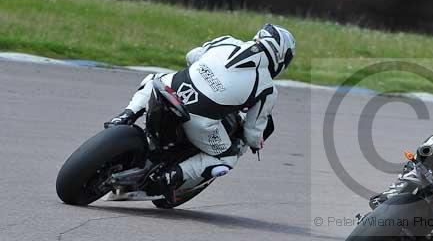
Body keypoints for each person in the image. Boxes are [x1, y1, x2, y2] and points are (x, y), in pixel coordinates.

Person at [105, 23, 296, 200]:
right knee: (227, 157)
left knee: (153, 79)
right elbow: (253, 131)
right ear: (281, 59)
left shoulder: (227, 41)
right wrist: (256, 144)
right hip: (198, 121)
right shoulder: (267, 88)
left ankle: (126, 115)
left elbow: (191, 56)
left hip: (169, 89)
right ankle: (172, 176)